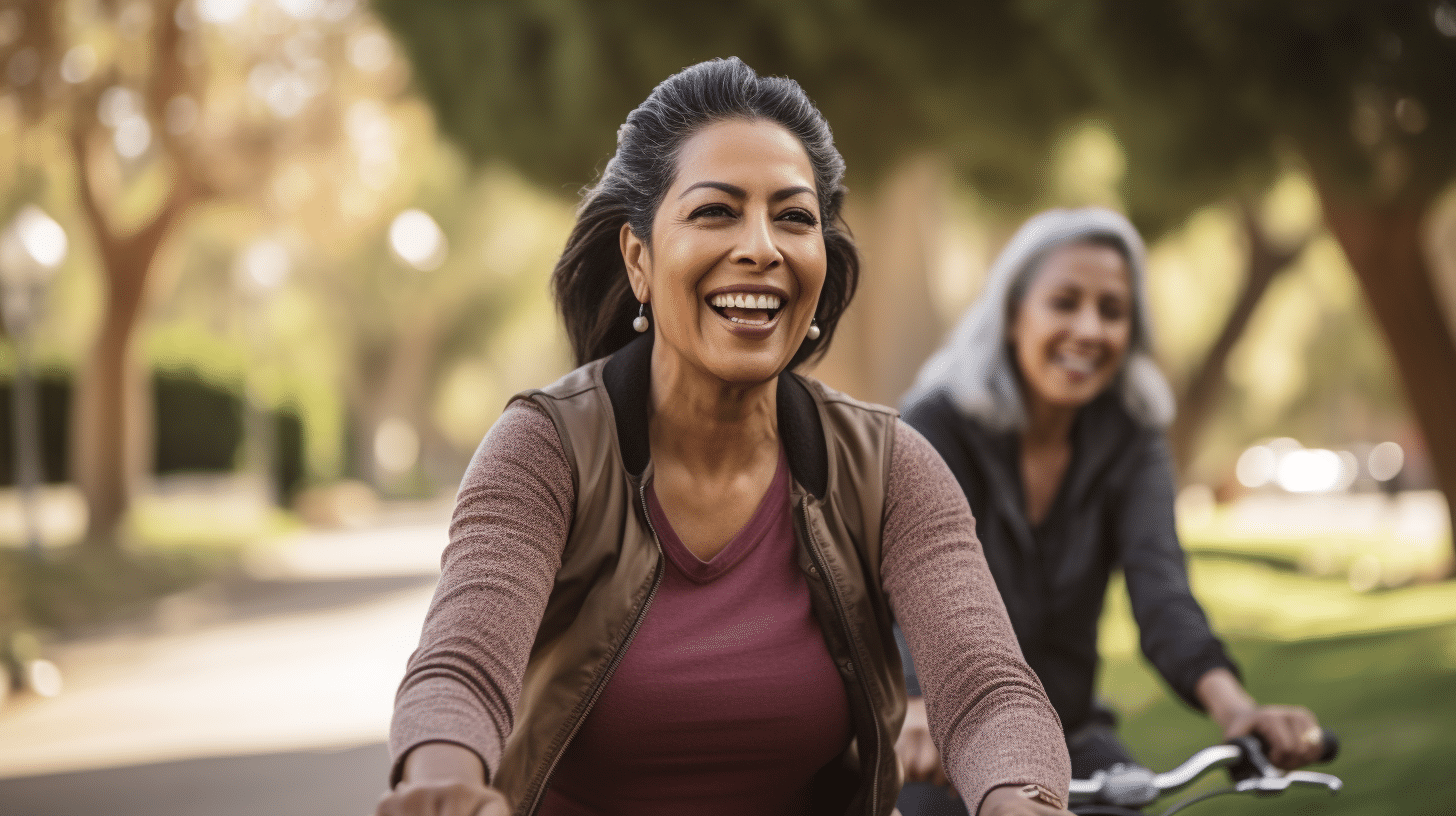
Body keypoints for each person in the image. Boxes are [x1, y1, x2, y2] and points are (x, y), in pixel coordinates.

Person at [374, 58, 1073, 816]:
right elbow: (464, 664)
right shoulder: (546, 449)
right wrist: (441, 778)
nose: (762, 247)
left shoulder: (887, 466)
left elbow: (987, 688)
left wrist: (1021, 798)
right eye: (717, 211)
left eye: (794, 217)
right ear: (639, 258)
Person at [892, 207, 1328, 816]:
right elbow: (922, 585)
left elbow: (1164, 596)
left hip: (1068, 733)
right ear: (1014, 315)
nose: (1089, 329)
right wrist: (916, 703)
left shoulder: (1131, 436)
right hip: (938, 735)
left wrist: (1238, 711)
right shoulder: (939, 425)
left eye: (1112, 311)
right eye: (1065, 303)